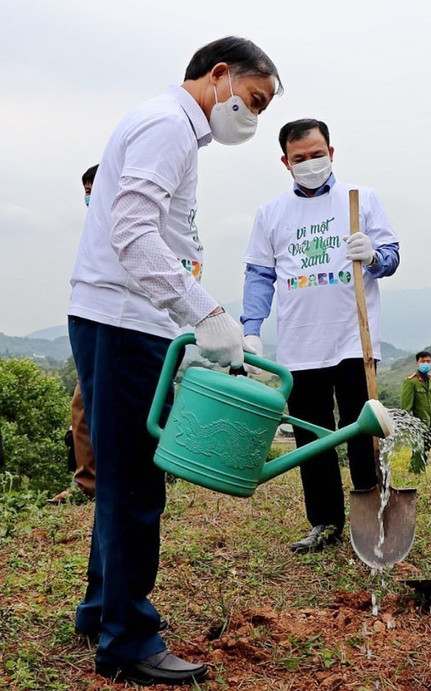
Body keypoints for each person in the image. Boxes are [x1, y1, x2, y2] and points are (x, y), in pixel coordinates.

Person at [67, 37, 281, 684]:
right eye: (254, 100)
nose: (253, 116)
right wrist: (206, 313)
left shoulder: (172, 127)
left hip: (122, 318)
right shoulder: (168, 126)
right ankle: (128, 641)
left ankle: (101, 608)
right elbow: (132, 231)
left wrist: (190, 318)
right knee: (135, 483)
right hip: (125, 320)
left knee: (123, 474)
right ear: (219, 75)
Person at [241, 118, 399, 554]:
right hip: (299, 343)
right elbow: (259, 274)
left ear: (332, 151)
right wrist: (251, 329)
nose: (310, 163)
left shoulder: (361, 200)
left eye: (317, 154)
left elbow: (391, 256)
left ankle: (375, 516)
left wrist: (373, 255)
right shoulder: (272, 213)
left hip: (354, 338)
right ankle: (325, 523)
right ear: (285, 161)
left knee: (362, 430)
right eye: (299, 158)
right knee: (313, 437)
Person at [51, 165, 102, 505]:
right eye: (85, 190)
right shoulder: (94, 230)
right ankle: (88, 482)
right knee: (83, 406)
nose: (88, 196)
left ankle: (94, 483)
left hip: (125, 330)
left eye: (93, 188)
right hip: (95, 326)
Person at [400, 350, 431, 473]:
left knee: (426, 449)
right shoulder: (411, 382)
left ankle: (415, 472)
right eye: (423, 361)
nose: (426, 363)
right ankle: (417, 474)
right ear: (417, 363)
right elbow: (406, 407)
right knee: (418, 450)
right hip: (417, 423)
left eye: (428, 361)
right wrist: (409, 424)